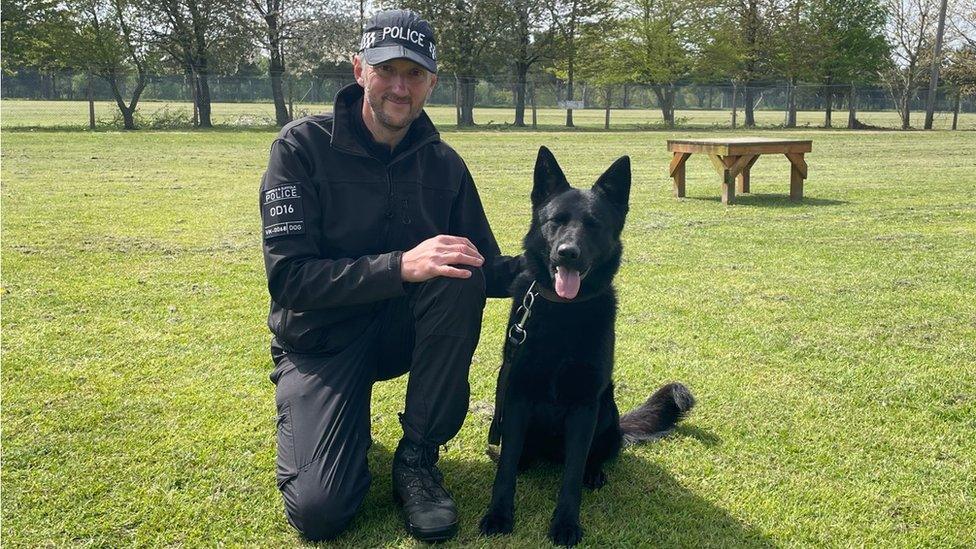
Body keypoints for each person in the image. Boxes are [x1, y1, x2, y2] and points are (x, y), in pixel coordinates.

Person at [259, 9, 519, 543]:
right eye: (386, 70)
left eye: (414, 74)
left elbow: (483, 267)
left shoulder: (445, 165)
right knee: (322, 512)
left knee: (457, 272)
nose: (400, 87)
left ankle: (418, 459)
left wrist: (560, 266)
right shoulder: (300, 148)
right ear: (359, 70)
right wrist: (400, 266)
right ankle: (308, 406)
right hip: (322, 338)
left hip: (402, 334)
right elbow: (289, 280)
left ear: (432, 83)